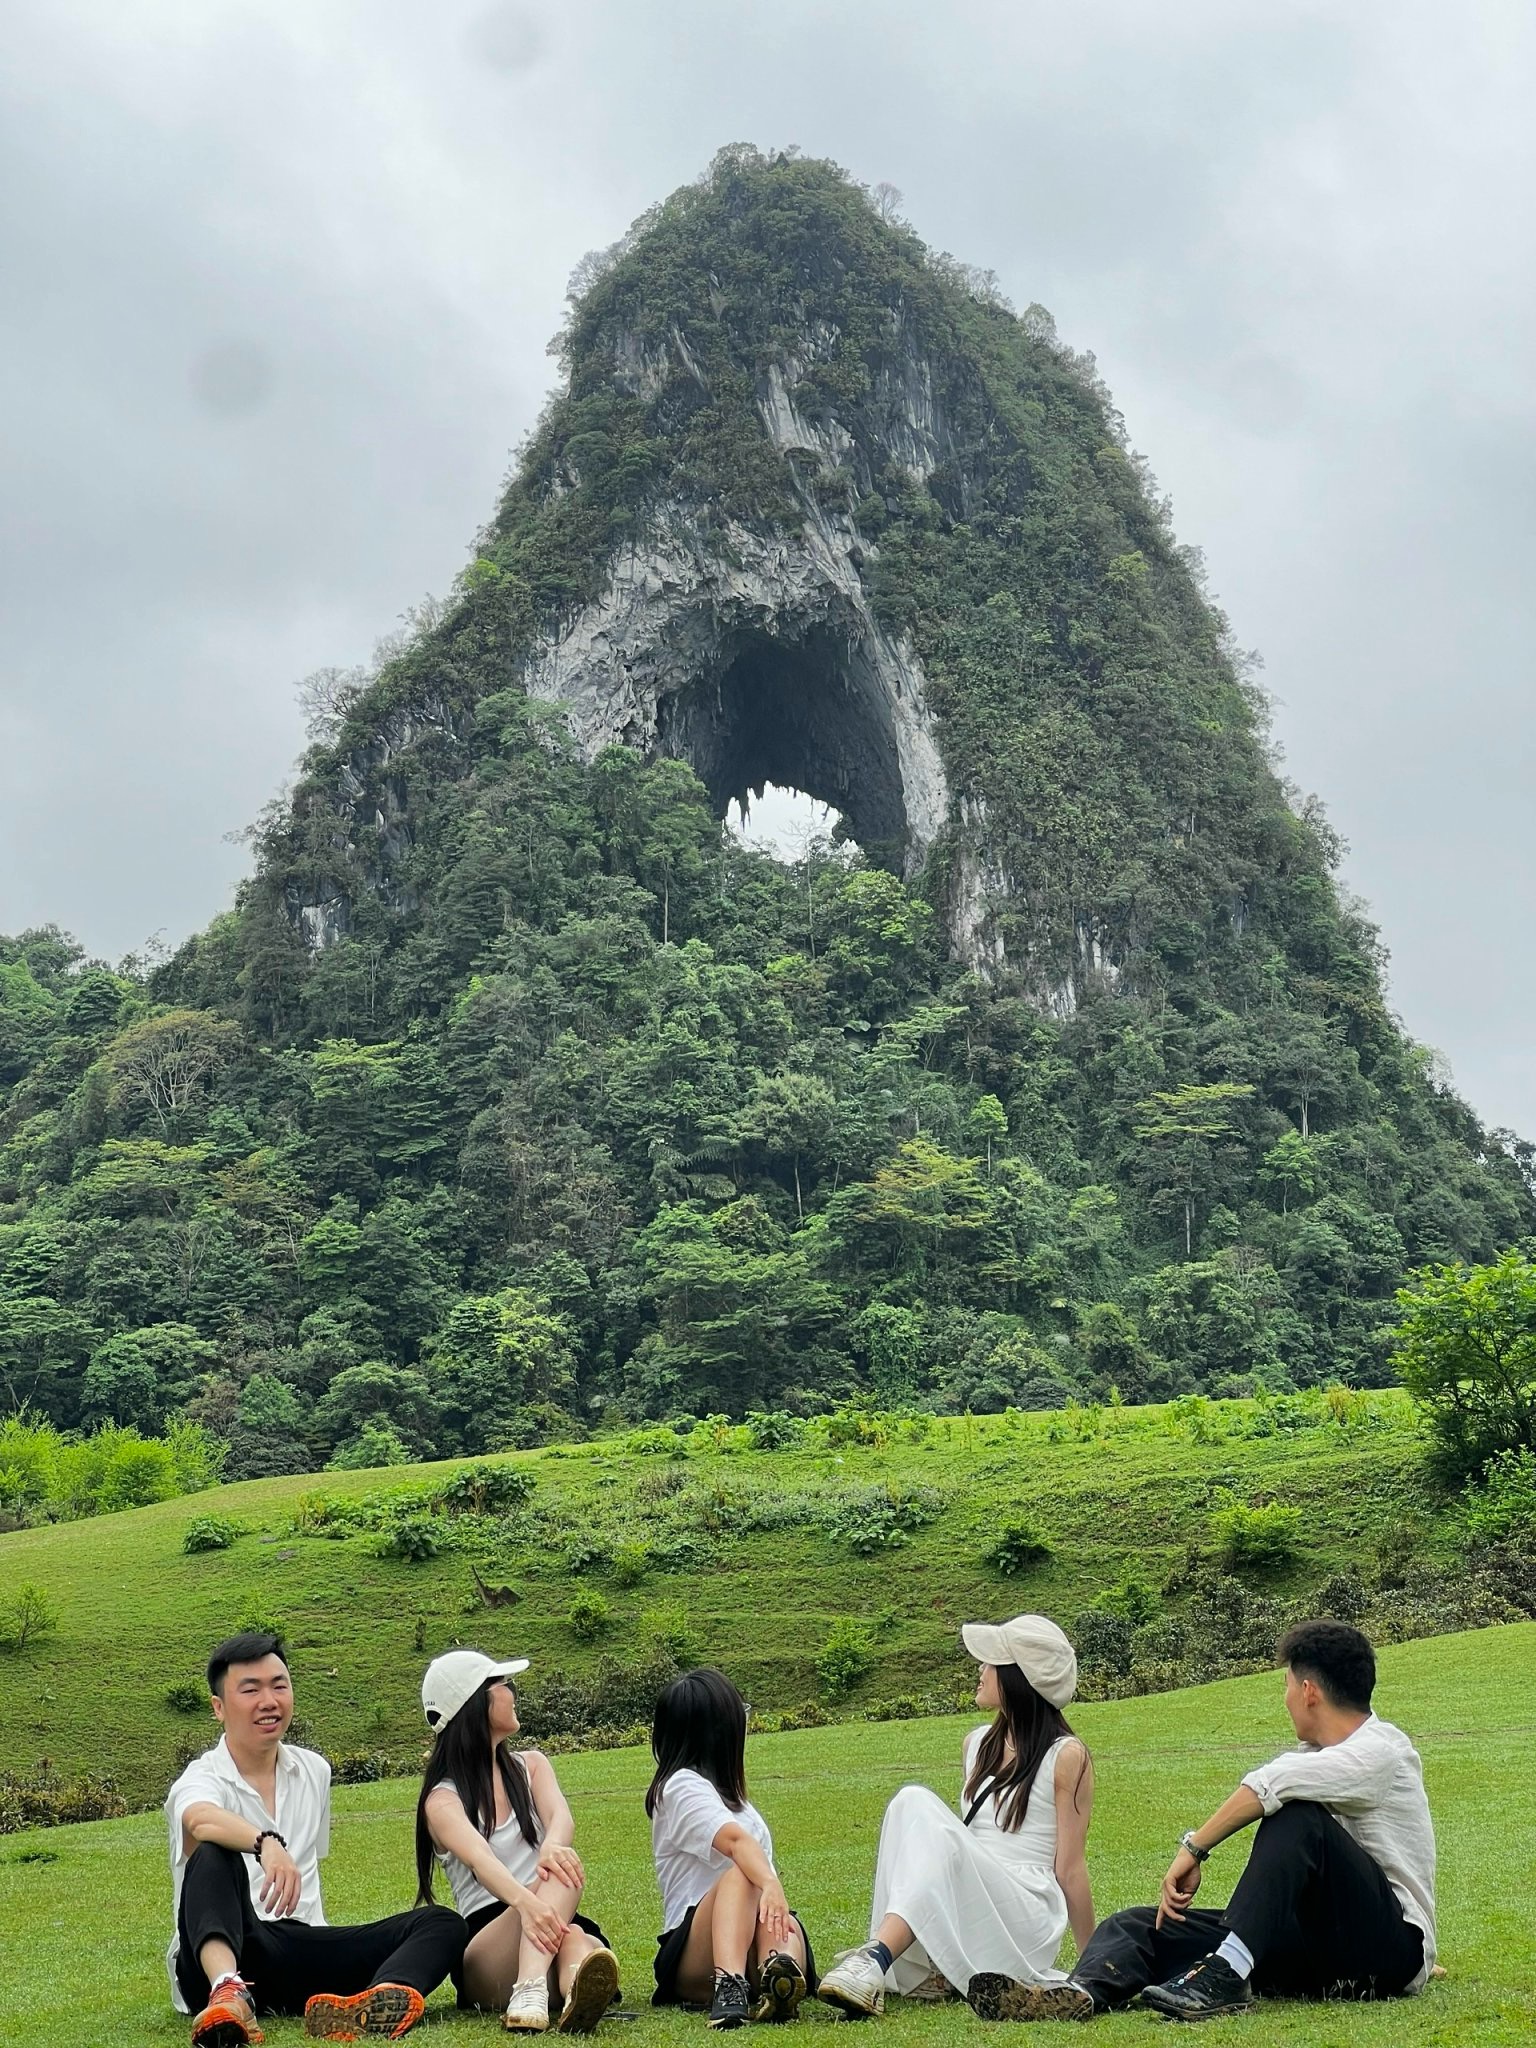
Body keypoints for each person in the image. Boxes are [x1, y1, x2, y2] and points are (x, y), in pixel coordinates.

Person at [969, 1619, 1436, 2022]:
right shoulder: (1317, 1755)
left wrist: (1193, 1849)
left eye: (1288, 1686)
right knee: (1138, 1924)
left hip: (1386, 1952)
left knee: (1296, 1816)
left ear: (1309, 1691)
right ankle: (1079, 1993)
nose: (1287, 1697)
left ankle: (1226, 1973)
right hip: (1313, 1950)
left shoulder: (1383, 1751)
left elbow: (1274, 1783)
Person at [165, 1631, 465, 2045]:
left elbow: (309, 1864)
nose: (268, 1701)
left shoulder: (314, 1771)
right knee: (215, 1853)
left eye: (279, 1685)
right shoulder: (201, 1777)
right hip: (221, 1954)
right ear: (219, 1707)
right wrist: (264, 1842)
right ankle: (228, 1993)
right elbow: (200, 1821)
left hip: (299, 1949)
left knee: (441, 1922)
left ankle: (375, 2002)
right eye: (250, 1690)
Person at [816, 1614, 1094, 2022]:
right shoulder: (976, 1744)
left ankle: (875, 1958)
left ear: (1018, 1679)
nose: (980, 1670)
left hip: (1025, 1913)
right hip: (978, 1899)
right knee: (908, 1804)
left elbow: (1069, 1869)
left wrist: (1093, 1965)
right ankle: (908, 1966)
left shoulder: (1066, 1756)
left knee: (916, 1801)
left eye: (991, 1662)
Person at [415, 1647, 620, 2033]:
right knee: (562, 1886)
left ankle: (567, 1991)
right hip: (489, 1948)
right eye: (503, 1684)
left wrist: (551, 1849)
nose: (512, 1693)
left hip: (550, 1920)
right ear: (473, 1703)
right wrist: (528, 1903)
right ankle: (534, 1984)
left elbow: (561, 1818)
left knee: (572, 1922)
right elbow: (480, 1860)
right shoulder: (442, 1799)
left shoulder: (533, 1765)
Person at [647, 1667, 816, 2030]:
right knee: (744, 1873)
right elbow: (737, 1844)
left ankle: (779, 1973)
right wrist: (771, 1883)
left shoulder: (734, 1799)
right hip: (696, 1951)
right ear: (720, 1730)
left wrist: (770, 1892)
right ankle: (730, 1985)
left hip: (752, 1933)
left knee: (770, 1907)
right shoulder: (680, 1787)